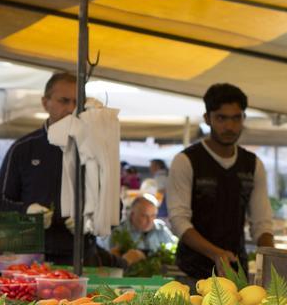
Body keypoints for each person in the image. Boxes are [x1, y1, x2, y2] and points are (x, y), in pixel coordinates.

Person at [167, 83, 274, 278]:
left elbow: (262, 223)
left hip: (236, 271)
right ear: (208, 119)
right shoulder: (186, 161)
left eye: (236, 118)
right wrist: (215, 254)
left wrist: (274, 260)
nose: (229, 126)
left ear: (243, 118)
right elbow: (178, 221)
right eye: (221, 118)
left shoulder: (253, 164)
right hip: (192, 272)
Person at [0, 72, 99, 265]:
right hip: (31, 257)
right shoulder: (23, 149)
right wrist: (27, 212)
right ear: (45, 103)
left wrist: (91, 219)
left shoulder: (93, 149)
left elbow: (114, 206)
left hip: (82, 256)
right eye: (64, 101)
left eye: (77, 102)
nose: (71, 109)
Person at [105, 194, 176, 253]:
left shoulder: (160, 229)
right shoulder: (119, 233)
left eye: (153, 216)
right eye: (144, 216)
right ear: (132, 214)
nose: (150, 220)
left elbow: (174, 249)